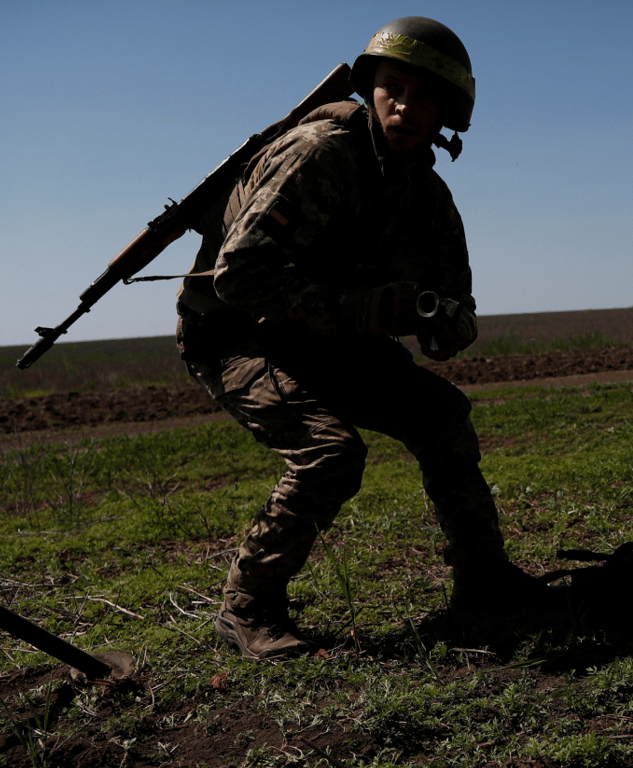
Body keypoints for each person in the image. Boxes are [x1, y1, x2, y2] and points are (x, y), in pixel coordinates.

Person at [176, 17, 537, 660]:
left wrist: (441, 326)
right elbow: (238, 277)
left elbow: (462, 306)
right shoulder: (318, 153)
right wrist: (357, 310)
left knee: (442, 414)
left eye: (424, 96)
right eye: (392, 85)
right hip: (235, 336)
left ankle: (485, 582)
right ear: (371, 87)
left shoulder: (428, 198)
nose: (404, 104)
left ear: (447, 114)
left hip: (333, 338)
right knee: (331, 450)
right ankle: (247, 609)